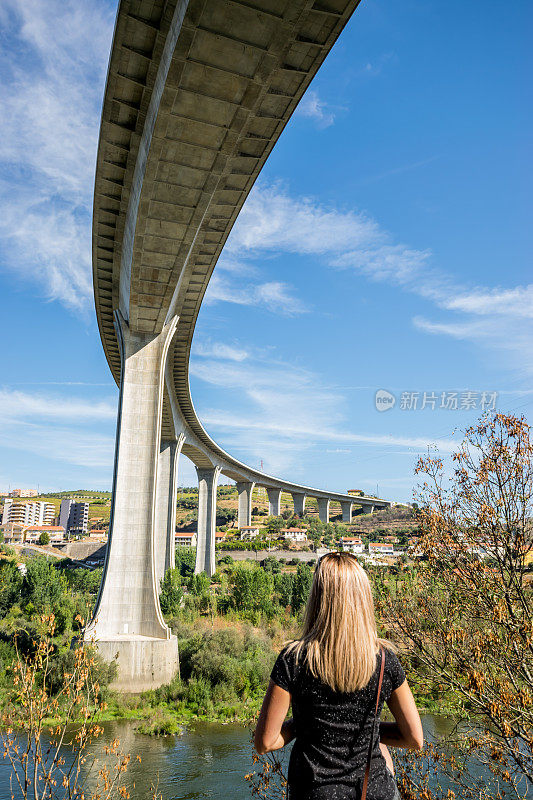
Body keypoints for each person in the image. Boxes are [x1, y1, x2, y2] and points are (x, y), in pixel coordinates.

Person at [254, 551, 423, 799]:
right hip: (374, 791)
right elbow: (414, 739)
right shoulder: (385, 659)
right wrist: (370, 730)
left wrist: (305, 726)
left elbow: (266, 743)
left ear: (318, 598)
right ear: (362, 597)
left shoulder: (293, 659)